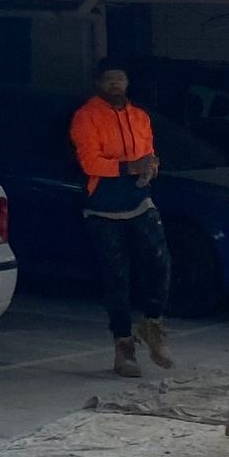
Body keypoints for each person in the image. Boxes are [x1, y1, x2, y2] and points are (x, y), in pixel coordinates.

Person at [70, 60, 173, 376]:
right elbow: (90, 162)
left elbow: (149, 153)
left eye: (121, 78)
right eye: (109, 79)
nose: (116, 85)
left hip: (140, 199)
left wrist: (149, 167)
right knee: (117, 278)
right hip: (104, 206)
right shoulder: (86, 116)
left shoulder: (140, 116)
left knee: (160, 262)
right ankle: (123, 346)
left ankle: (152, 324)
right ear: (98, 83)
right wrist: (128, 167)